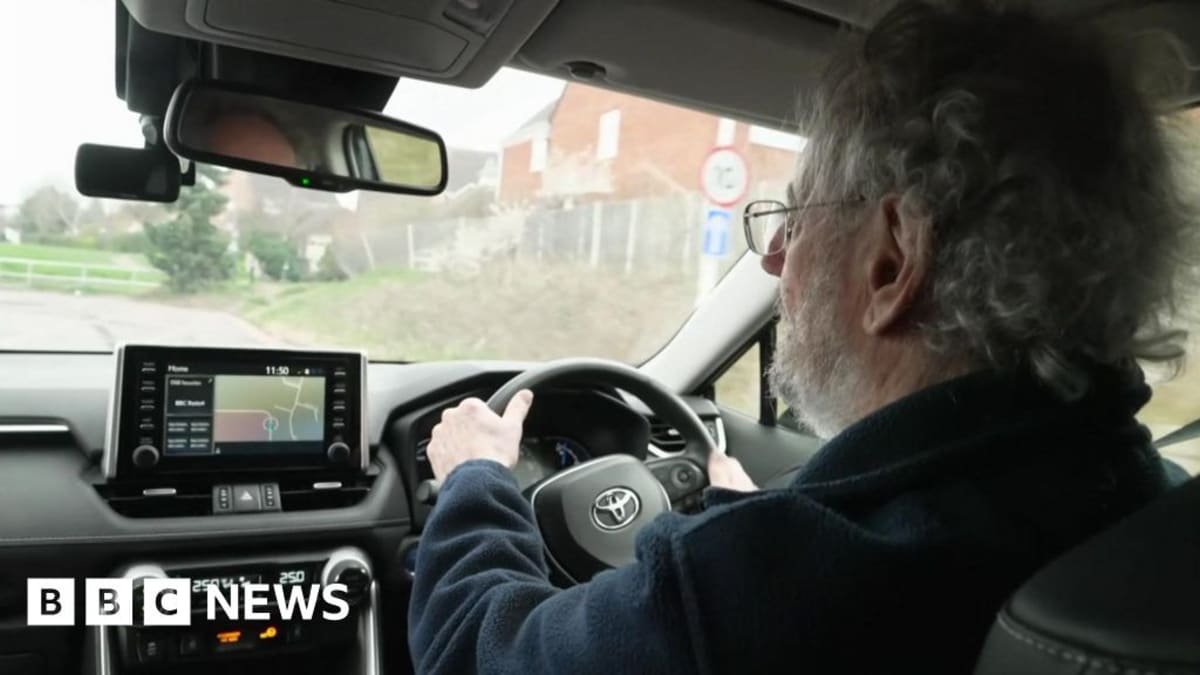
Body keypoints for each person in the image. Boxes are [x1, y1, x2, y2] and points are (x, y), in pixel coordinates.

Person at [408, 1, 1197, 672]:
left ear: (893, 258)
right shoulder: (1152, 516)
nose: (775, 254)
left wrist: (477, 481)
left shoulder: (755, 588)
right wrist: (770, 513)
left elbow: (476, 647)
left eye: (795, 215)